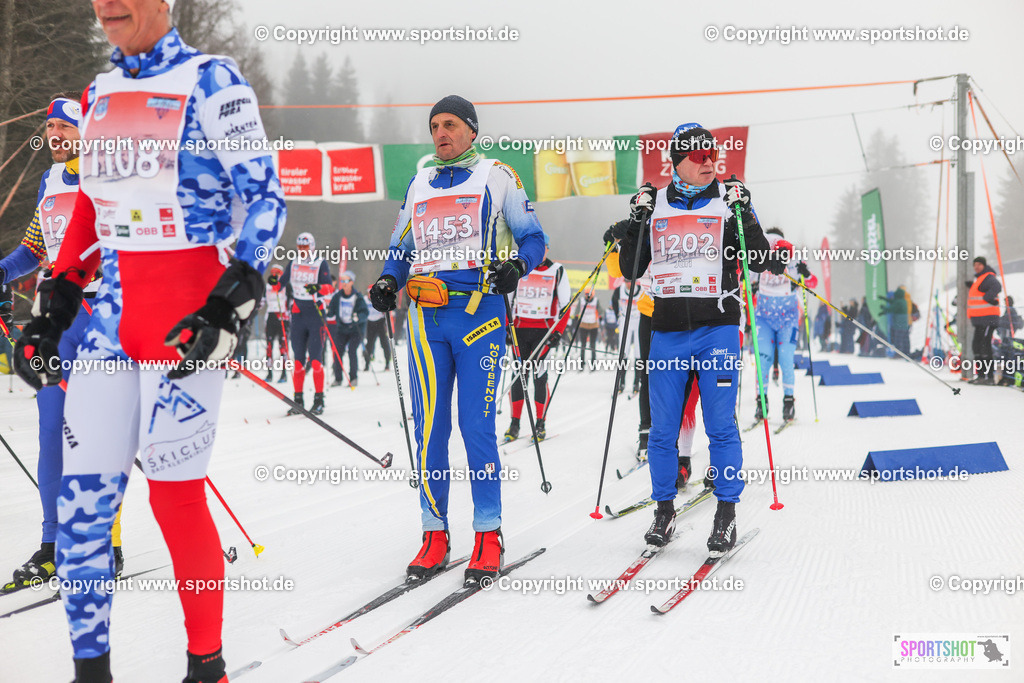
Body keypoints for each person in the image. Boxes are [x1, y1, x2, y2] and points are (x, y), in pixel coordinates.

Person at [13, 1, 286, 679]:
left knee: (173, 494)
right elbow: (90, 208)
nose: (109, 4)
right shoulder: (99, 93)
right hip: (110, 325)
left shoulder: (213, 80)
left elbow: (265, 199)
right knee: (83, 506)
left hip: (185, 324)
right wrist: (58, 297)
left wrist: (233, 299)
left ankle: (205, 665)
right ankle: (91, 670)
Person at [368, 95, 545, 586]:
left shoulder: (497, 176)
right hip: (426, 319)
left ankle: (488, 533)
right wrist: (388, 280)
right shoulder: (419, 181)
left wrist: (517, 267)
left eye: (450, 124)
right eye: (433, 126)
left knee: (476, 426)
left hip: (479, 316)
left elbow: (534, 238)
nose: (440, 133)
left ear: (471, 130)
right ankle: (434, 533)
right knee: (428, 430)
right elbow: (400, 249)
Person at [613, 123, 786, 556]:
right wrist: (635, 222)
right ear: (678, 163)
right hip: (668, 332)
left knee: (721, 425)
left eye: (713, 154)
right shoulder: (654, 205)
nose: (710, 161)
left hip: (718, 329)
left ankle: (726, 512)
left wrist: (745, 211)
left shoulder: (728, 201)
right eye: (699, 155)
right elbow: (631, 270)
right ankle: (664, 508)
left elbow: (761, 258)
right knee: (662, 431)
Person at [0, 95, 131, 591]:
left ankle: (108, 544)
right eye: (49, 127)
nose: (54, 134)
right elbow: (34, 248)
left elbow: (123, 243)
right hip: (56, 322)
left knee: (97, 434)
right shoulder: (49, 181)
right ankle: (52, 546)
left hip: (100, 317)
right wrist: (2, 271)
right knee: (52, 429)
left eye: (63, 127)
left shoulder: (106, 176)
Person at [504, 234, 568, 442]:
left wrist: (558, 332)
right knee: (518, 376)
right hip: (520, 330)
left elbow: (566, 305)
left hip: (544, 331)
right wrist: (507, 328)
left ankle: (540, 424)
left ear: (547, 249)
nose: (540, 252)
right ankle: (514, 424)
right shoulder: (518, 268)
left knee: (539, 377)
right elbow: (507, 299)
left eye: (544, 248)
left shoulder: (557, 270)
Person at [751, 227, 816, 423]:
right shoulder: (759, 256)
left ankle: (789, 402)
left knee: (786, 359)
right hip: (764, 317)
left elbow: (813, 283)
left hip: (788, 318)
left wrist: (806, 274)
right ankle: (761, 402)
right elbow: (741, 278)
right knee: (764, 359)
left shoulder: (794, 259)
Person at [282, 232, 332, 414]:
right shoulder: (293, 263)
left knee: (316, 361)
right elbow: (280, 283)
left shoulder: (320, 263)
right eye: (300, 247)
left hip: (315, 314)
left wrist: (318, 287)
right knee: (298, 362)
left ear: (312, 247)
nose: (302, 250)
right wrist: (274, 282)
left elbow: (329, 287)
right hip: (298, 314)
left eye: (306, 247)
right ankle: (298, 400)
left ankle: (319, 400)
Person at [326, 270, 368, 387]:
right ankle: (338, 378)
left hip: (355, 330)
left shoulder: (357, 297)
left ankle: (353, 378)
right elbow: (331, 311)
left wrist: (358, 317)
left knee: (352, 351)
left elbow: (365, 312)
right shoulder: (337, 296)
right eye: (342, 281)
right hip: (342, 328)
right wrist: (326, 312)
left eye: (346, 281)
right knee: (337, 352)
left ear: (351, 282)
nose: (344, 283)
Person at [967, 256, 1002, 384]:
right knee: (977, 346)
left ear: (984, 265)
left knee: (984, 346)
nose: (976, 267)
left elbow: (997, 286)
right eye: (975, 264)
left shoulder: (988, 277)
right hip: (980, 320)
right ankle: (981, 376)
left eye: (979, 264)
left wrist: (988, 297)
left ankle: (989, 377)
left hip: (988, 319)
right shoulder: (980, 279)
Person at [264, 264, 290, 382]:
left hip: (282, 317)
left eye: (277, 273)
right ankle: (269, 373)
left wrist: (288, 314)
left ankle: (284, 373)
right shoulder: (267, 286)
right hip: (271, 316)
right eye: (273, 272)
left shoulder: (285, 285)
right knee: (269, 346)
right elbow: (262, 300)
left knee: (283, 347)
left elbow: (291, 300)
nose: (275, 275)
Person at [363, 285, 391, 371]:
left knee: (384, 343)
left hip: (380, 323)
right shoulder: (364, 300)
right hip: (370, 323)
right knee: (369, 344)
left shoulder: (380, 298)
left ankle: (387, 363)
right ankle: (367, 364)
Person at [879, 285, 912, 356]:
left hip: (899, 324)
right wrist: (884, 299)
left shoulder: (899, 302)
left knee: (898, 340)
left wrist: (884, 309)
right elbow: (893, 302)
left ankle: (898, 354)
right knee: (905, 340)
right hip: (904, 324)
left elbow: (892, 308)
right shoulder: (903, 300)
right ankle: (906, 353)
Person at [572, 286, 600, 368]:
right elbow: (577, 310)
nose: (588, 295)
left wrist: (601, 316)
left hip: (593, 325)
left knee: (592, 345)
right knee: (583, 345)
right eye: (586, 294)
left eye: (590, 294)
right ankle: (582, 363)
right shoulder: (581, 301)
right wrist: (576, 316)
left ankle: (593, 363)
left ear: (593, 294)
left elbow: (600, 309)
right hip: (583, 324)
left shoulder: (596, 301)